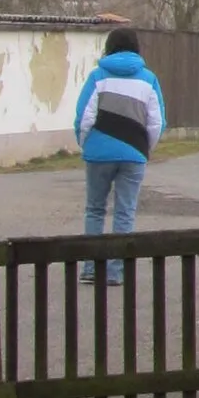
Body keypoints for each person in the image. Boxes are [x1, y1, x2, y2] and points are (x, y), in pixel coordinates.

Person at [75, 25, 165, 284]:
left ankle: (90, 268)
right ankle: (115, 272)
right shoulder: (149, 79)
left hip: (99, 153)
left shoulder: (97, 76)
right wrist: (144, 148)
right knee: (125, 212)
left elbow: (85, 117)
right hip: (133, 154)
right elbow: (156, 122)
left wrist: (86, 144)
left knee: (95, 210)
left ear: (109, 47)